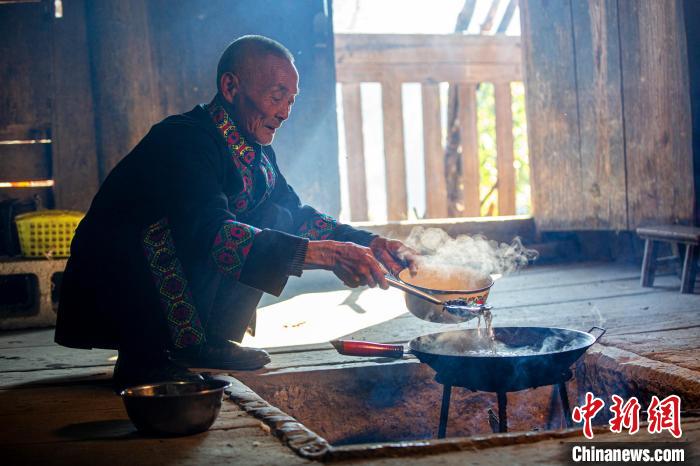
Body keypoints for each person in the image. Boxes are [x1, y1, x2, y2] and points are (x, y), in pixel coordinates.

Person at [55, 35, 417, 390]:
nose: (284, 112)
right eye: (277, 96)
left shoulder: (254, 151)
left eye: (290, 100)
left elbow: (296, 215)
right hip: (119, 282)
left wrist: (369, 243)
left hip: (174, 272)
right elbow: (211, 233)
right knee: (217, 232)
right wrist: (327, 255)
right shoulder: (182, 140)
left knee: (275, 215)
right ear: (230, 87)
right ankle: (144, 355)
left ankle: (206, 340)